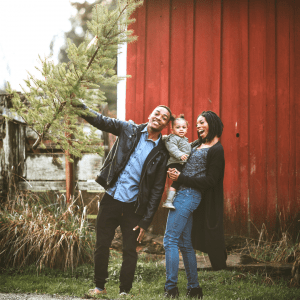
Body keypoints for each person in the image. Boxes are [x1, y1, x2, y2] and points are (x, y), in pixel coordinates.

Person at [75, 102, 174, 296]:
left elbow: (156, 190)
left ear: (166, 125)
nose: (159, 118)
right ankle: (99, 287)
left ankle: (124, 292)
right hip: (111, 199)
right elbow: (101, 121)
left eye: (164, 117)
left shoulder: (162, 153)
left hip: (134, 207)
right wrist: (79, 106)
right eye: (157, 113)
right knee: (102, 245)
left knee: (130, 250)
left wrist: (146, 220)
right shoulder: (128, 129)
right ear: (150, 114)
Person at [163, 111, 227, 299]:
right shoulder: (198, 144)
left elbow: (211, 181)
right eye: (197, 123)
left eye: (202, 122)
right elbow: (176, 150)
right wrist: (175, 171)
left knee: (169, 240)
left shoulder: (217, 149)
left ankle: (171, 288)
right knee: (184, 243)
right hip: (181, 193)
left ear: (212, 123)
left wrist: (181, 178)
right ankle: (194, 288)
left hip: (190, 196)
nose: (198, 126)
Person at [162, 115, 191, 210]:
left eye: (184, 127)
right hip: (174, 164)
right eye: (178, 127)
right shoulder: (172, 138)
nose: (181, 129)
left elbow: (188, 147)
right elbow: (172, 148)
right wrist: (180, 155)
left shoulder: (184, 140)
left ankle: (174, 199)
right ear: (172, 129)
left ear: (187, 129)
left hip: (180, 164)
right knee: (176, 182)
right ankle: (168, 201)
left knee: (180, 182)